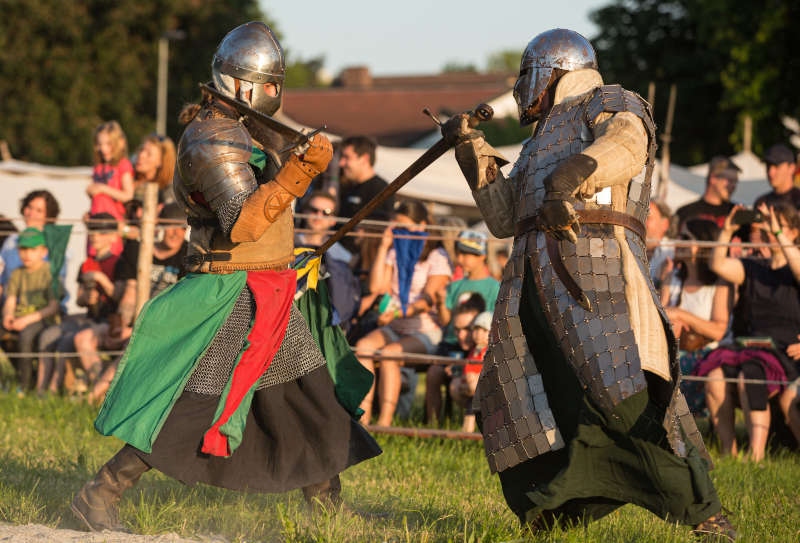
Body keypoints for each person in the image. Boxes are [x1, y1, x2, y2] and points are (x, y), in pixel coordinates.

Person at [71, 22, 380, 533]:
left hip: (267, 287)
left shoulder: (245, 130)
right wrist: (299, 173)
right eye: (268, 84)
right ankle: (99, 494)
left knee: (310, 394)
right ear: (239, 83)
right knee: (193, 405)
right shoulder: (211, 137)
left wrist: (298, 176)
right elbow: (245, 221)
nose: (275, 95)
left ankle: (328, 510)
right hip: (232, 291)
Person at [441, 29, 733, 539]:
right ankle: (553, 514)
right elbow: (506, 217)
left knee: (620, 394)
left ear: (553, 72)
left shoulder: (608, 102)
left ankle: (702, 509)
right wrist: (470, 148)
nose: (521, 91)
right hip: (531, 287)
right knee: (529, 398)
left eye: (528, 78)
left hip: (594, 279)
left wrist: (567, 181)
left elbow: (627, 144)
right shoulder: (537, 143)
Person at [698, 202, 800, 461]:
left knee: (750, 375)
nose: (767, 230)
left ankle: (755, 457)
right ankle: (728, 453)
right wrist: (727, 230)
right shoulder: (751, 266)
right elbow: (717, 264)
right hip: (748, 347)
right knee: (715, 377)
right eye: (764, 227)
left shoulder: (794, 269)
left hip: (785, 352)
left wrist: (777, 233)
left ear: (794, 232)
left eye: (778, 226)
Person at [355, 200, 451, 426]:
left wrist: (397, 313)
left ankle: (385, 423)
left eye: (404, 227)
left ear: (422, 226)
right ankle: (364, 419)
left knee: (389, 354)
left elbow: (427, 301)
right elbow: (377, 287)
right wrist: (383, 246)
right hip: (394, 326)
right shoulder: (394, 251)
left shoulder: (437, 256)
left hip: (425, 330)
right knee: (362, 347)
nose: (400, 232)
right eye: (395, 227)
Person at [88, 204, 188, 403]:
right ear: (158, 226)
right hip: (132, 321)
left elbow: (177, 309)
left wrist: (135, 330)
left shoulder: (188, 257)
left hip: (162, 327)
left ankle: (96, 396)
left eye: (182, 228)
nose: (176, 233)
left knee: (132, 346)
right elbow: (129, 295)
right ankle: (101, 392)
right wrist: (122, 327)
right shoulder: (139, 249)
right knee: (83, 338)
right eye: (170, 226)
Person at [661, 219, 732, 414]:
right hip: (672, 353)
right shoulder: (671, 277)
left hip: (706, 355)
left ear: (702, 245)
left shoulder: (719, 283)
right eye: (679, 237)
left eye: (686, 238)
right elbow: (661, 318)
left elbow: (718, 331)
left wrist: (681, 314)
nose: (679, 241)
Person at [1, 228, 61, 392]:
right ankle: (7, 379)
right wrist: (8, 315)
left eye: (33, 249)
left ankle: (25, 385)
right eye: (23, 249)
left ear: (43, 251)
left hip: (43, 319)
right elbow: (11, 300)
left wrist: (25, 320)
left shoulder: (50, 272)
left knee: (26, 336)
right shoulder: (17, 273)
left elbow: (53, 307)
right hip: (20, 318)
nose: (27, 254)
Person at [425, 294, 485, 424]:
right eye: (457, 330)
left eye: (468, 329)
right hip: (461, 385)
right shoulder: (451, 347)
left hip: (482, 389)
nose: (461, 335)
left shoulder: (487, 349)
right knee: (433, 371)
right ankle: (432, 424)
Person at [436, 230, 500, 349]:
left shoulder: (495, 287)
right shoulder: (454, 286)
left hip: (479, 346)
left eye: (465, 254)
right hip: (451, 343)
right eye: (458, 254)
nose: (459, 259)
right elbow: (445, 321)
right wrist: (441, 302)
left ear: (481, 256)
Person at [337, 136, 393, 259]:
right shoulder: (346, 187)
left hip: (360, 260)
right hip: (337, 252)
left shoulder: (381, 189)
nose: (341, 163)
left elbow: (378, 230)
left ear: (364, 159)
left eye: (347, 157)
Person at [0, 190, 61, 295]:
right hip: (9, 306)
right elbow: (2, 280)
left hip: (40, 307)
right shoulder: (11, 241)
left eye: (39, 210)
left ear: (48, 216)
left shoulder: (55, 245)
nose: (32, 213)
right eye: (29, 207)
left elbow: (55, 288)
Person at [673, 156, 740, 231]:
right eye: (730, 180)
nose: (733, 186)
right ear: (713, 178)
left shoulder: (737, 213)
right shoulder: (685, 213)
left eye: (735, 182)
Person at [450, 311, 492, 432]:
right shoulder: (474, 350)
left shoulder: (488, 351)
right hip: (470, 384)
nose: (479, 334)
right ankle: (467, 430)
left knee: (473, 400)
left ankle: (468, 430)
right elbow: (467, 365)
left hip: (482, 385)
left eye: (484, 331)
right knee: (456, 386)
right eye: (476, 330)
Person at [88, 121, 134, 221]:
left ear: (120, 143)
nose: (103, 149)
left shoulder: (123, 164)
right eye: (99, 144)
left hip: (113, 221)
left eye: (109, 144)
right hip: (96, 218)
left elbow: (128, 195)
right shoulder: (98, 167)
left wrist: (102, 189)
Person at [132, 134, 177, 205]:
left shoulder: (168, 189)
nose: (141, 155)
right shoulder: (129, 178)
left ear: (161, 161)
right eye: (142, 150)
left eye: (149, 154)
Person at [753, 144, 800, 210]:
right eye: (768, 166)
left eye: (776, 166)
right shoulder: (761, 203)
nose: (770, 172)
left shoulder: (798, 202)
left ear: (791, 168)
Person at [646, 199, 674, 290]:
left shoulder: (673, 253)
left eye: (647, 217)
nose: (640, 221)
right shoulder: (622, 248)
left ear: (665, 224)